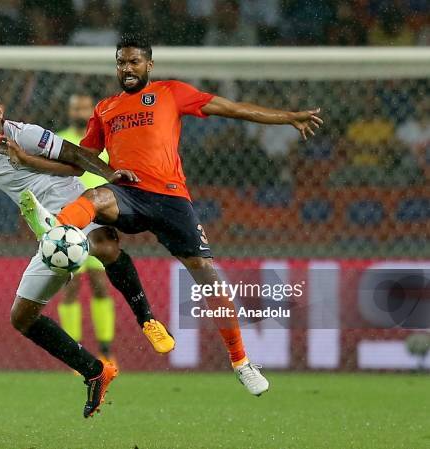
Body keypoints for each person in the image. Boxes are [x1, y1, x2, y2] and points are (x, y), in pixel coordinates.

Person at [19, 34, 323, 396]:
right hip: (127, 191)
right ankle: (57, 230)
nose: (127, 69)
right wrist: (27, 161)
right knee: (95, 196)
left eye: (134, 62)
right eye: (121, 62)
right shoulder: (104, 109)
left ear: (149, 65)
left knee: (207, 277)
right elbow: (79, 161)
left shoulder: (170, 92)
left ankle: (241, 362)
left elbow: (230, 108)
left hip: (170, 199)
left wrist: (288, 118)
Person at [0, 81, 170, 417]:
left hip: (76, 208)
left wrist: (111, 174)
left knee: (104, 245)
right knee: (22, 317)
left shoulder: (26, 135)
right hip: (50, 237)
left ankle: (148, 320)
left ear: (1, 112)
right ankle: (95, 371)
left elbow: (74, 154)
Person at [58, 93, 117, 368]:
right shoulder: (59, 140)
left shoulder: (106, 143)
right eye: (75, 107)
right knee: (69, 289)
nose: (80, 111)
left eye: (84, 107)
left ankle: (105, 351)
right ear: (69, 111)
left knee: (100, 286)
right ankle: (74, 352)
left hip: (101, 224)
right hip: (67, 222)